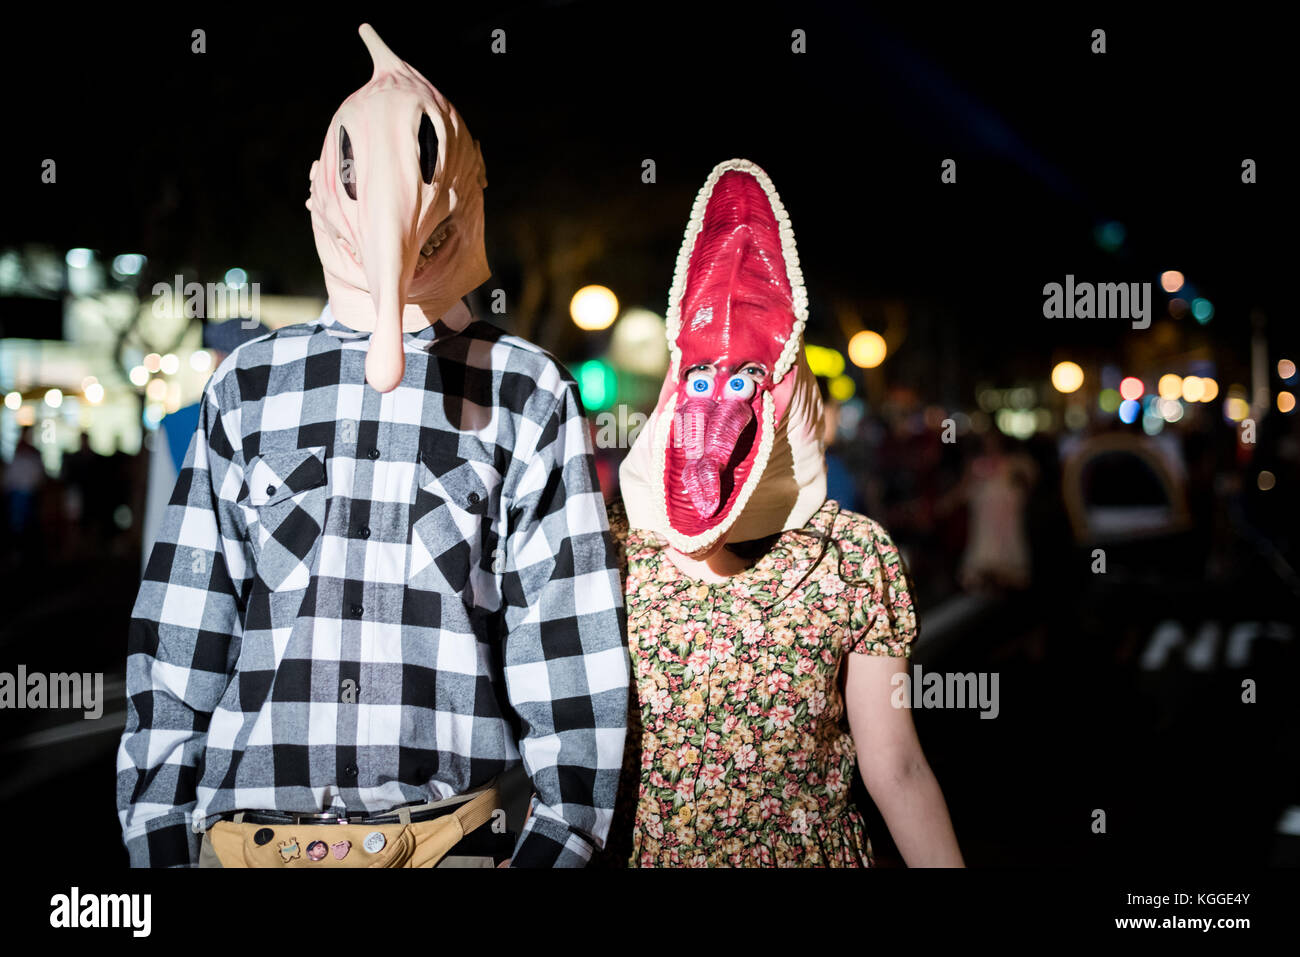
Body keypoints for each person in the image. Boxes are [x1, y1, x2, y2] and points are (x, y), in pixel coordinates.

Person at [117, 24, 627, 869]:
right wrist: (162, 842)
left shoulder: (527, 391)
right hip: (249, 837)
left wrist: (554, 847)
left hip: (453, 836)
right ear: (322, 188)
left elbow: (568, 653)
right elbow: (183, 633)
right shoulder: (247, 387)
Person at [598, 159, 962, 867]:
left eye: (747, 378)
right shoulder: (616, 553)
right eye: (703, 376)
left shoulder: (853, 556)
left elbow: (898, 767)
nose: (720, 403)